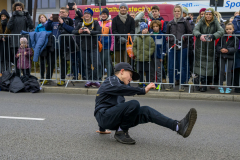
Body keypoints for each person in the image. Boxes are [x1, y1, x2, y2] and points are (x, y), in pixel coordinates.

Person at [94, 62, 197, 144]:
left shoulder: (119, 89)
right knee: (134, 104)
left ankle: (178, 127)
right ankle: (121, 132)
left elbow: (108, 103)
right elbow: (102, 108)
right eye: (130, 75)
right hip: (104, 117)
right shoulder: (111, 80)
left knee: (146, 110)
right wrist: (142, 90)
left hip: (110, 120)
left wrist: (102, 129)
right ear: (121, 71)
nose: (131, 79)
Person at [193, 8, 224, 92]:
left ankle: (205, 84)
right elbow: (195, 30)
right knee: (200, 66)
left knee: (208, 67)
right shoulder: (201, 21)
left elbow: (221, 31)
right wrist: (199, 35)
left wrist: (213, 36)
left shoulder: (215, 22)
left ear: (213, 15)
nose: (208, 16)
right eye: (206, 14)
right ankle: (200, 84)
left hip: (210, 48)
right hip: (200, 47)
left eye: (210, 14)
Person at [72, 8, 102, 88]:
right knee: (87, 64)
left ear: (91, 15)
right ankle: (89, 80)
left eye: (88, 14)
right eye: (85, 13)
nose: (86, 15)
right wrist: (79, 32)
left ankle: (95, 80)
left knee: (97, 64)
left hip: (94, 46)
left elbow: (99, 32)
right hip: (84, 47)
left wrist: (90, 32)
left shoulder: (95, 23)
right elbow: (73, 31)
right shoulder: (80, 23)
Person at [166, 4, 192, 92]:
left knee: (182, 66)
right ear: (173, 12)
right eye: (175, 11)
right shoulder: (170, 23)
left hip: (182, 47)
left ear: (181, 12)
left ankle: (182, 84)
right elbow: (167, 34)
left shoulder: (185, 22)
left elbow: (190, 33)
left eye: (178, 11)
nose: (177, 13)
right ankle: (170, 84)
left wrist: (184, 37)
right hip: (172, 47)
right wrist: (168, 38)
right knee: (171, 66)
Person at [45, 7, 75, 86]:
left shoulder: (70, 20)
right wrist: (50, 20)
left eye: (62, 12)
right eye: (60, 12)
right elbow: (47, 28)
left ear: (67, 13)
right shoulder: (55, 20)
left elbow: (72, 30)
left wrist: (63, 23)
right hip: (54, 45)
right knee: (51, 62)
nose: (60, 13)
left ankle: (62, 79)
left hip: (64, 45)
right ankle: (48, 78)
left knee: (63, 63)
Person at [7, 2, 33, 76]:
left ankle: (26, 76)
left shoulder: (25, 17)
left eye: (20, 8)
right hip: (15, 42)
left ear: (22, 8)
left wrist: (28, 15)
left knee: (26, 60)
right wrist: (12, 17)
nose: (19, 9)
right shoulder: (13, 17)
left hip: (24, 42)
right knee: (16, 60)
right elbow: (9, 27)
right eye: (17, 8)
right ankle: (17, 76)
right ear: (14, 9)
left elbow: (31, 26)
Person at [216, 23, 239, 94]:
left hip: (230, 56)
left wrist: (228, 50)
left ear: (233, 29)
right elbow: (218, 46)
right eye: (227, 29)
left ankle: (228, 86)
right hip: (222, 56)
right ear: (225, 29)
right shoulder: (222, 37)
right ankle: (220, 85)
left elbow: (235, 48)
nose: (228, 31)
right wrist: (220, 49)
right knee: (221, 71)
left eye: (230, 29)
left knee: (229, 71)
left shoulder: (235, 38)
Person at [35, 14, 55, 85]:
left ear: (46, 18)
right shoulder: (38, 26)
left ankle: (48, 77)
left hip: (49, 45)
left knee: (49, 62)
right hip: (42, 46)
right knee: (42, 62)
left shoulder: (49, 24)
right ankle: (42, 77)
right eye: (40, 18)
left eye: (42, 17)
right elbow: (35, 34)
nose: (41, 19)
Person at [133, 22, 155, 87]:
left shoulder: (150, 38)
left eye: (146, 29)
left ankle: (147, 83)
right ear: (141, 30)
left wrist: (149, 53)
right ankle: (140, 83)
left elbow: (153, 47)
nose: (145, 30)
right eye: (143, 29)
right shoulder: (137, 38)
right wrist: (136, 53)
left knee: (147, 71)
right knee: (140, 71)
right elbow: (134, 46)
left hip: (147, 58)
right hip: (139, 58)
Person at [149, 20, 166, 89]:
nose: (155, 28)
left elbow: (164, 47)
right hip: (151, 56)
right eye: (153, 26)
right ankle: (152, 83)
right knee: (151, 70)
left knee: (158, 71)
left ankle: (159, 84)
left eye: (156, 26)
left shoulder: (162, 35)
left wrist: (162, 56)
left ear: (159, 27)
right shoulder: (150, 35)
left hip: (158, 56)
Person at [98, 8, 114, 78]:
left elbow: (112, 36)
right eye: (102, 14)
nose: (103, 15)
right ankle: (100, 77)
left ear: (107, 15)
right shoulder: (98, 23)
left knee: (108, 62)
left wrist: (112, 47)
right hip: (99, 45)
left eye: (105, 14)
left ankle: (109, 77)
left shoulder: (110, 23)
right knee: (100, 62)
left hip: (107, 45)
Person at [231, 12, 240, 93]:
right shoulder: (236, 20)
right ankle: (237, 87)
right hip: (238, 46)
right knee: (237, 67)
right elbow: (234, 31)